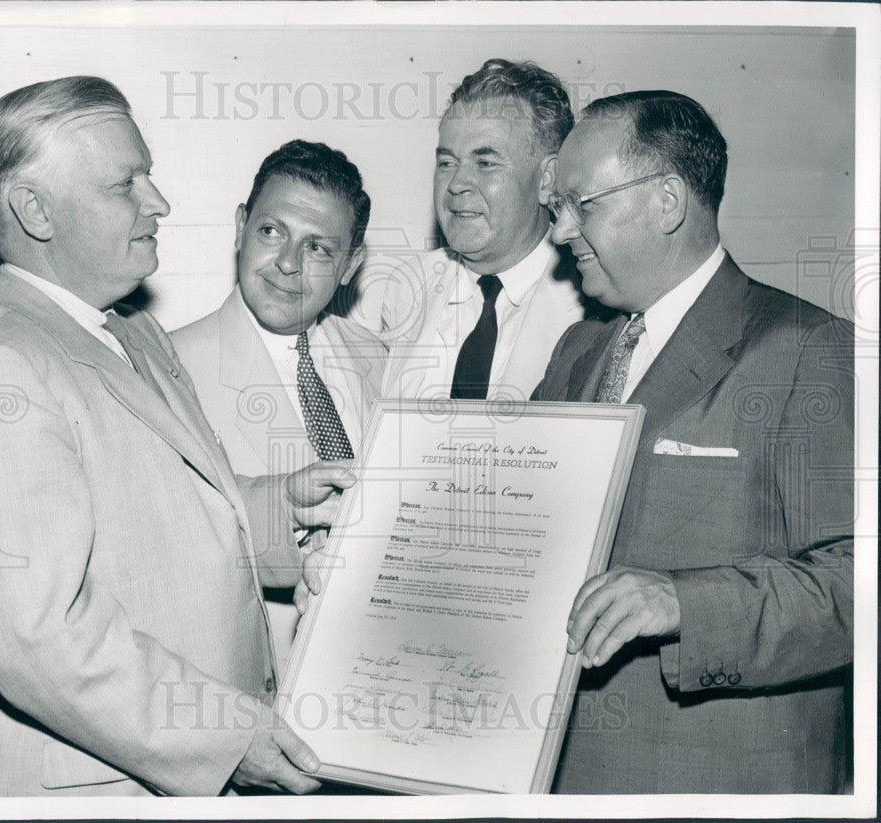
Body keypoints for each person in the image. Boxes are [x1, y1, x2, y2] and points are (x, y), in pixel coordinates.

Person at [0, 76, 354, 797]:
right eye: (127, 184)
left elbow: (177, 516)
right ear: (36, 210)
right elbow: (36, 636)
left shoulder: (133, 332)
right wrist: (220, 735)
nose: (160, 202)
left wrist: (288, 506)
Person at [532, 90, 853, 793]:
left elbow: (858, 581)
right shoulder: (576, 351)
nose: (559, 232)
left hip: (718, 780)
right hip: (560, 774)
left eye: (581, 204)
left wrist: (684, 602)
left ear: (668, 200)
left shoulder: (810, 348)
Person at [172, 140, 386, 667]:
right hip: (247, 692)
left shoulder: (382, 359)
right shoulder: (167, 369)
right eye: (272, 232)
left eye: (319, 249)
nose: (288, 264)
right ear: (241, 227)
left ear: (350, 265)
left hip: (376, 673)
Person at [362, 58, 587, 401]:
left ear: (548, 179)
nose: (456, 184)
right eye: (447, 163)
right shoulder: (407, 287)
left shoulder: (592, 305)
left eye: (485, 163)